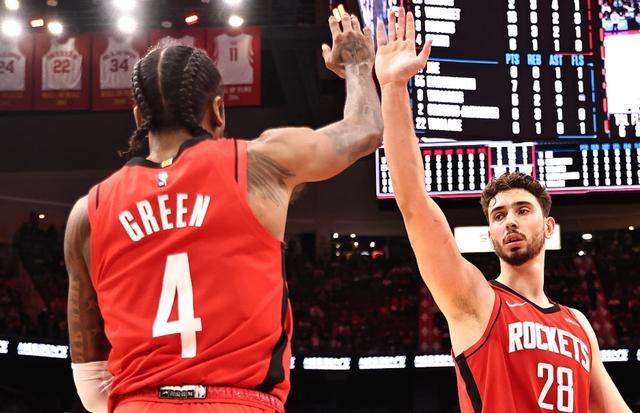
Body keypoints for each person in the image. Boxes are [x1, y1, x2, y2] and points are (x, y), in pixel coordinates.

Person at [65, 13, 382, 413]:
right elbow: (365, 130)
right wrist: (357, 65)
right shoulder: (259, 165)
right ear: (218, 111)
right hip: (241, 402)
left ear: (138, 119)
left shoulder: (87, 215)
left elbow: (92, 390)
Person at [374, 8, 631, 412]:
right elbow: (413, 201)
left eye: (522, 210)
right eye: (498, 215)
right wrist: (392, 88)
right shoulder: (476, 299)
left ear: (549, 226)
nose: (509, 220)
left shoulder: (579, 325)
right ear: (490, 234)